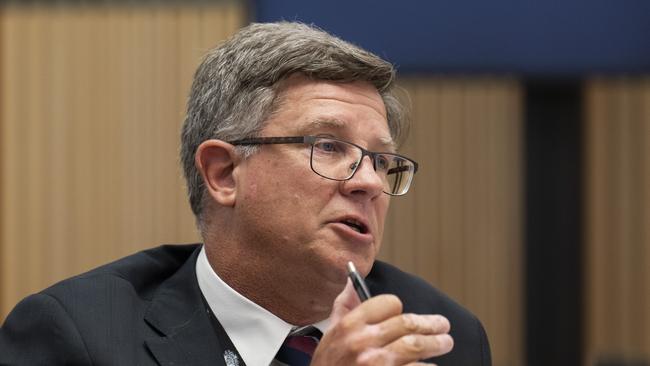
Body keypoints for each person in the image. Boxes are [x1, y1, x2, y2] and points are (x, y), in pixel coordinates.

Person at [0, 22, 491, 365]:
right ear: (224, 173)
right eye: (328, 146)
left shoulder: (442, 333)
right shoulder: (82, 336)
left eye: (382, 160)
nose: (368, 182)